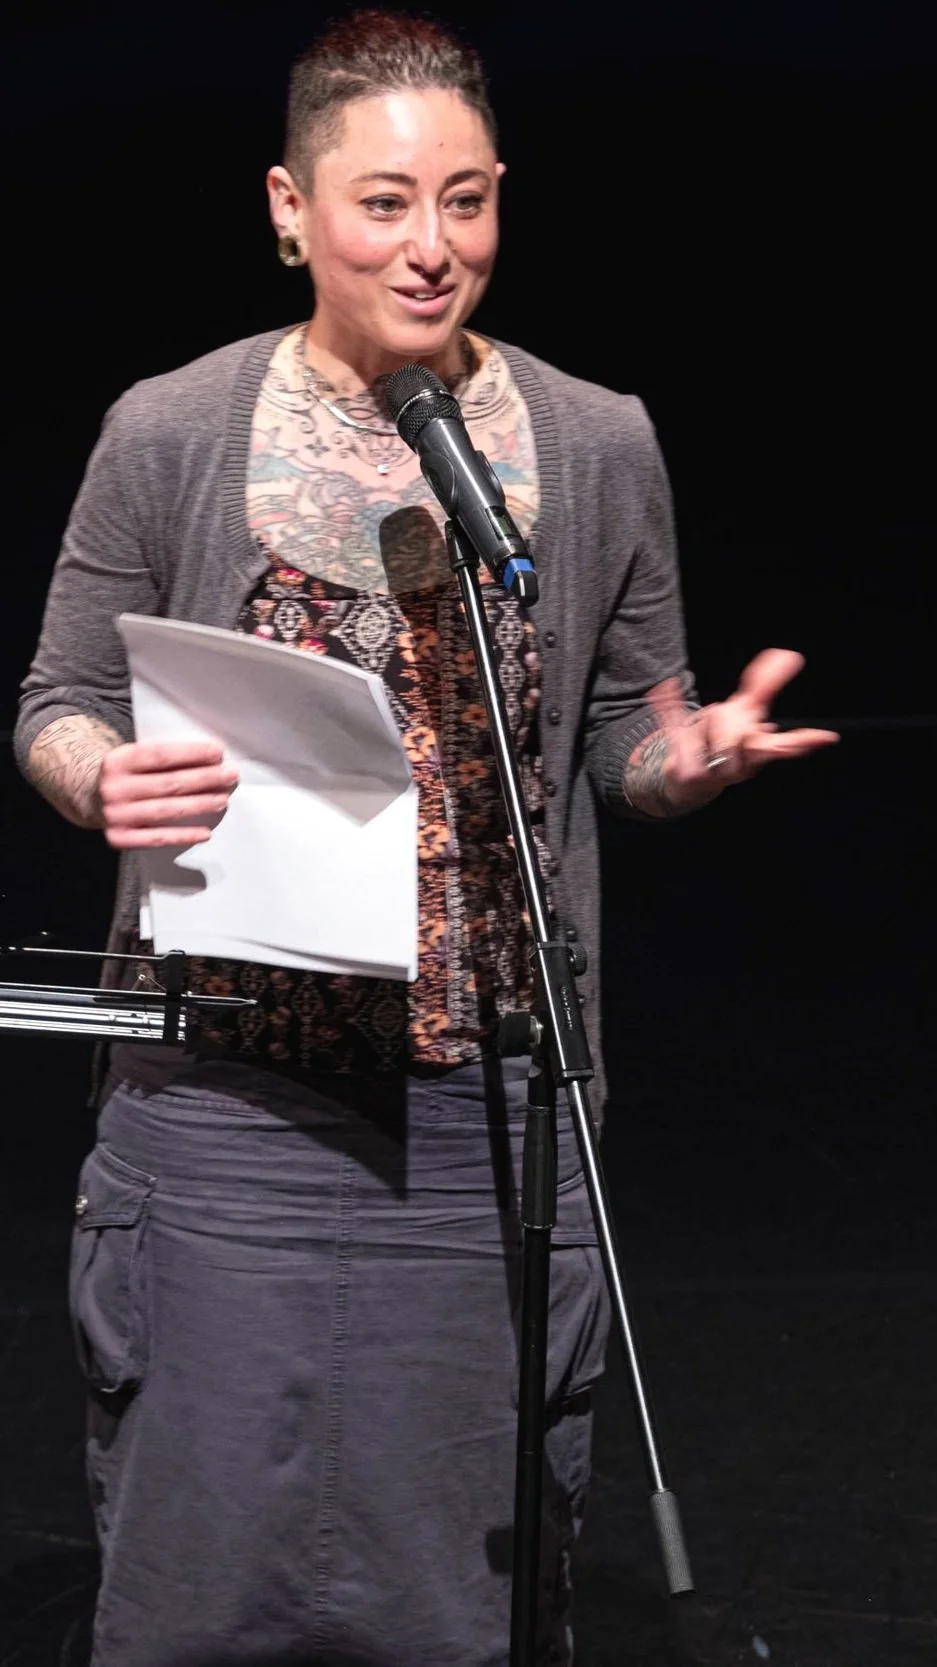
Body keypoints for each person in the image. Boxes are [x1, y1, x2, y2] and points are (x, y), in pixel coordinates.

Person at [14, 12, 838, 1666]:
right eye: (385, 202)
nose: (432, 244)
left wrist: (693, 756)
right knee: (206, 1560)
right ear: (289, 206)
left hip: (490, 1111)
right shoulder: (170, 428)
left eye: (466, 201)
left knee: (454, 1574)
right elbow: (56, 696)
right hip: (230, 1090)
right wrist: (100, 778)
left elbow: (629, 732)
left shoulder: (597, 438)